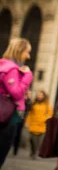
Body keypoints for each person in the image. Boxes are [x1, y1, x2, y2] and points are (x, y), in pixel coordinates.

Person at [0, 38, 33, 168]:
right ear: (19, 51)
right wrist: (28, 77)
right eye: (27, 52)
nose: (28, 56)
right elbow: (16, 93)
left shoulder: (3, 65)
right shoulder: (11, 69)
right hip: (8, 118)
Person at [25, 90, 52, 159]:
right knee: (32, 140)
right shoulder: (34, 103)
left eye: (41, 95)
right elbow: (30, 113)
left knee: (39, 142)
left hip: (42, 125)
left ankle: (35, 153)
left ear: (44, 96)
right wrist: (27, 122)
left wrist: (46, 119)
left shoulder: (46, 105)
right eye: (38, 94)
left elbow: (50, 114)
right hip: (33, 123)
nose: (39, 96)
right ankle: (33, 151)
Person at [12, 89, 32, 157]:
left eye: (29, 93)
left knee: (18, 134)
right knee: (13, 132)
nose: (28, 94)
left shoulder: (29, 101)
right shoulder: (21, 99)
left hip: (22, 119)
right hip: (16, 117)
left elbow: (29, 109)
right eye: (28, 93)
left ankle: (15, 150)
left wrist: (28, 100)